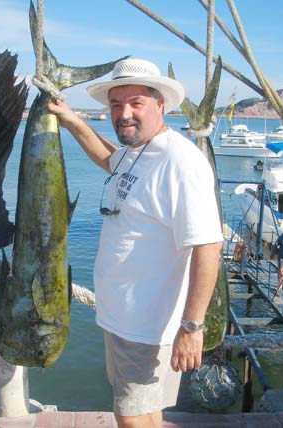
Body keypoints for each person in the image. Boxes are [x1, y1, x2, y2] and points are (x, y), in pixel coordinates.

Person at [47, 58, 223, 428]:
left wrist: (192, 327)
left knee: (129, 417)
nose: (124, 113)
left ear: (161, 105)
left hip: (148, 324)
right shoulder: (138, 150)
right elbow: (110, 160)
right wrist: (73, 122)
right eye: (116, 104)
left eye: (136, 103)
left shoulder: (180, 161)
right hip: (123, 317)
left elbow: (208, 244)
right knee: (146, 413)